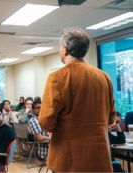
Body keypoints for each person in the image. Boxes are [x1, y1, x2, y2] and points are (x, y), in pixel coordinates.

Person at [39, 27, 116, 172]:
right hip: (100, 159)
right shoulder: (104, 77)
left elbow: (45, 122)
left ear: (65, 49)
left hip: (69, 161)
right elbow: (111, 119)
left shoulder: (57, 77)